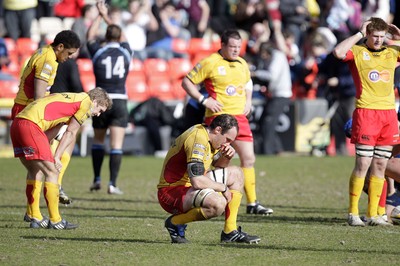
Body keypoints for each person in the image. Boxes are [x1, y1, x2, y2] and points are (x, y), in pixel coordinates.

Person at [182, 29, 273, 215]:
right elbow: (187, 82)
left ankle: (253, 203)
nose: (235, 50)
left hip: (240, 118)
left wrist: (248, 101)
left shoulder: (242, 63)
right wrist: (203, 100)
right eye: (232, 47)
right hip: (219, 120)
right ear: (222, 45)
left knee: (249, 159)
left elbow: (248, 83)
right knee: (215, 162)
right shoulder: (210, 62)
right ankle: (206, 196)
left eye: (238, 47)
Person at [11, 87, 112, 229]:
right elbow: (70, 133)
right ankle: (56, 220)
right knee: (52, 172)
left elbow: (55, 128)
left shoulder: (69, 97)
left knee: (36, 171)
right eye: (100, 110)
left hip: (17, 124)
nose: (98, 114)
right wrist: (57, 157)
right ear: (94, 101)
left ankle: (33, 214)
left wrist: (47, 150)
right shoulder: (85, 102)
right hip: (31, 126)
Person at [333, 17, 400, 226]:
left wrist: (398, 37)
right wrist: (359, 34)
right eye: (375, 36)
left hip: (388, 115)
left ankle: (374, 215)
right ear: (368, 35)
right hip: (366, 113)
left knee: (380, 163)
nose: (379, 40)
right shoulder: (359, 52)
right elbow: (338, 52)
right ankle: (353, 213)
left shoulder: (392, 53)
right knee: (363, 164)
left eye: (382, 36)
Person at [157, 114, 261, 244]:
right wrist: (222, 188)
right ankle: (174, 223)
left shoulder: (210, 138)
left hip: (190, 185)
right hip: (171, 192)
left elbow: (218, 166)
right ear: (218, 130)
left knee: (237, 174)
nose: (228, 144)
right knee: (217, 204)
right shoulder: (198, 139)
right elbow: (197, 181)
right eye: (227, 139)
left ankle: (230, 231)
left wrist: (226, 157)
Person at [11, 30, 81, 205]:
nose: (70, 57)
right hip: (29, 113)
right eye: (69, 53)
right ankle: (42, 213)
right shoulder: (48, 60)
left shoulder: (46, 53)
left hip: (26, 111)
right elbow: (39, 97)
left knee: (39, 167)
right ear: (60, 47)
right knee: (41, 166)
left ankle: (34, 212)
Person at [87, 1, 132, 195]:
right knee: (116, 145)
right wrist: (108, 18)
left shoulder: (98, 51)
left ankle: (97, 179)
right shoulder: (126, 51)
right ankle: (112, 184)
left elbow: (89, 37)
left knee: (98, 141)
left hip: (100, 101)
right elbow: (122, 35)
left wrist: (99, 15)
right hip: (119, 100)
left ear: (105, 36)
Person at [50, 49, 84, 204]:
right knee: (67, 142)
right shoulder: (70, 63)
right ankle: (56, 184)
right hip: (65, 106)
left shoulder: (49, 59)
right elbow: (77, 85)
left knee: (51, 143)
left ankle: (51, 183)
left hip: (47, 106)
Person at [252, 42, 293, 155]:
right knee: (266, 122)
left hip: (281, 95)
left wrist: (255, 74)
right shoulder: (275, 56)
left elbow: (272, 75)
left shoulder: (278, 56)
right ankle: (278, 150)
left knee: (268, 123)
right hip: (276, 95)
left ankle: (268, 151)